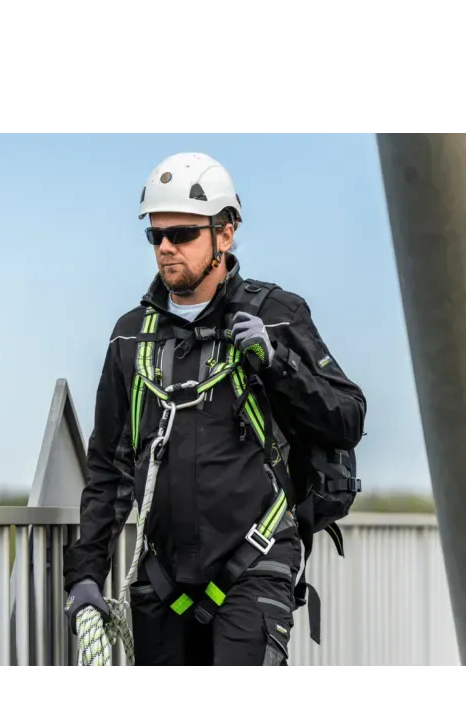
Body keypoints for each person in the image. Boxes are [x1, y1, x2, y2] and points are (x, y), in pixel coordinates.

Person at [63, 152, 366, 670]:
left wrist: (278, 364)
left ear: (224, 234)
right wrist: (86, 574)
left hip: (256, 563)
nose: (165, 247)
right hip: (162, 578)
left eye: (182, 234)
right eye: (155, 235)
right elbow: (109, 469)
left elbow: (348, 417)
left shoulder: (277, 316)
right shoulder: (131, 337)